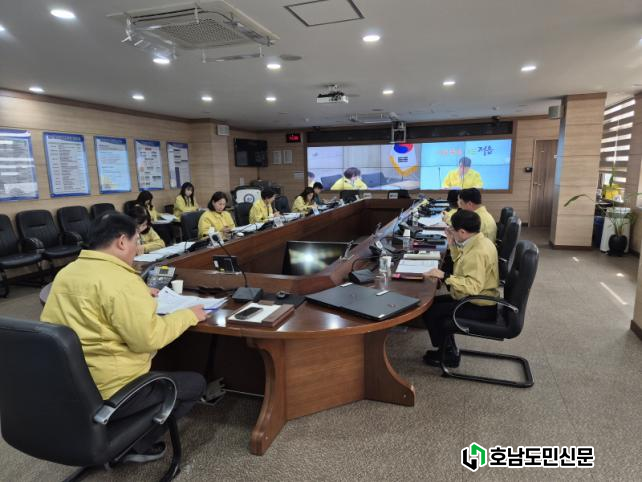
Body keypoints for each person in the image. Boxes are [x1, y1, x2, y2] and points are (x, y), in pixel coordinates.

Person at [40, 212, 207, 463]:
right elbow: (149, 339)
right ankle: (135, 445)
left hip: (71, 386)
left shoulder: (67, 273)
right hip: (112, 389)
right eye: (136, 241)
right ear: (121, 241)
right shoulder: (123, 281)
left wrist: (139, 295)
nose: (137, 248)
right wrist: (189, 315)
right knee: (195, 384)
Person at [422, 209, 499, 367]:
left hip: (480, 305)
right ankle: (447, 348)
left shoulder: (477, 252)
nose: (450, 231)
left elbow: (472, 287)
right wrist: (452, 243)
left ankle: (447, 354)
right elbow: (462, 262)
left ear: (462, 232)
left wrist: (445, 276)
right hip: (476, 298)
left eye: (452, 229)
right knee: (432, 304)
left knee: (432, 312)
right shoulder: (477, 241)